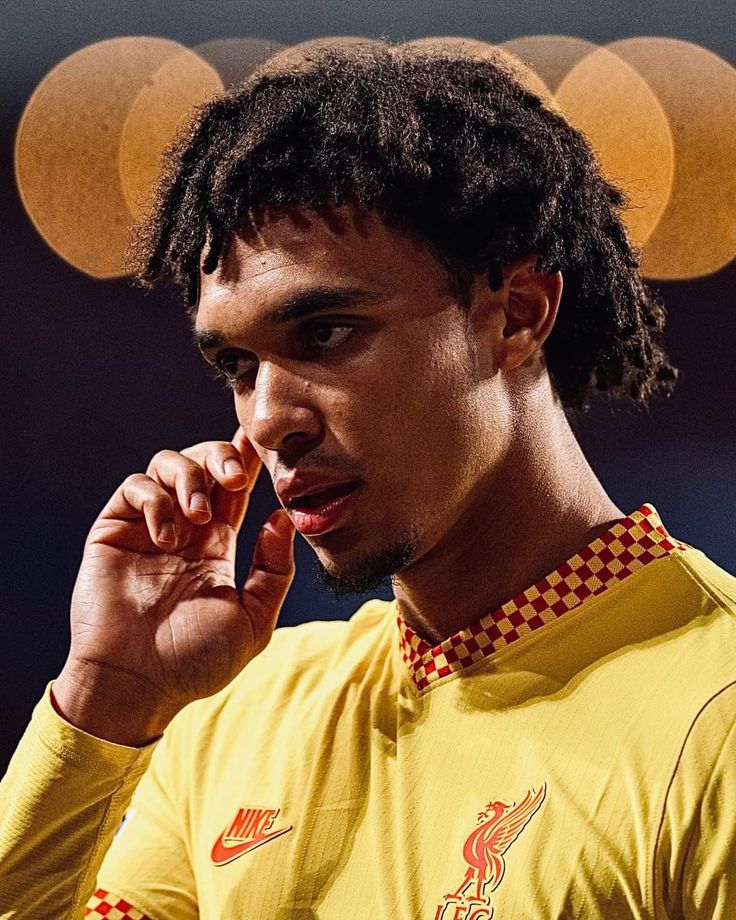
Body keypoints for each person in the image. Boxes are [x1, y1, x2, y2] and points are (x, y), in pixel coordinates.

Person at [1, 38, 734, 920]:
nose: (267, 418)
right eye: (237, 364)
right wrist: (106, 698)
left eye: (325, 335)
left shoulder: (716, 719)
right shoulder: (227, 716)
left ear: (520, 314)